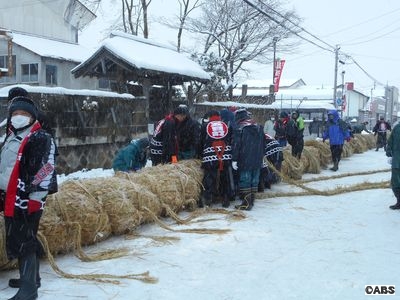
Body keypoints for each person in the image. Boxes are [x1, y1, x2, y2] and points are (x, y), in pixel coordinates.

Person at [0, 96, 57, 300]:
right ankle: (32, 279)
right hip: (11, 196)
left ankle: (29, 289)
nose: (18, 117)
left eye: (23, 114)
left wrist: (35, 197)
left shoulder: (40, 137)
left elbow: (46, 168)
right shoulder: (13, 135)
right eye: (15, 114)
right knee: (23, 237)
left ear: (32, 117)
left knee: (24, 241)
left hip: (26, 198)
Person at [199, 110, 234, 208]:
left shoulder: (205, 126)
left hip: (211, 154)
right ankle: (226, 198)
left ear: (209, 117)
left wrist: (200, 153)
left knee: (210, 177)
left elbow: (201, 141)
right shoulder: (226, 125)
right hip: (225, 153)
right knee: (225, 177)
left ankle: (208, 198)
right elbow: (230, 139)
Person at [231, 109, 265, 210]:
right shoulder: (258, 127)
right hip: (257, 158)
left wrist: (234, 159)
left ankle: (246, 203)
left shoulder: (240, 129)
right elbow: (264, 143)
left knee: (245, 180)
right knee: (254, 180)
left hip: (245, 158)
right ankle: (252, 201)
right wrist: (262, 156)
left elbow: (236, 145)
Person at [386, 121, 400, 209]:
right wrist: (389, 152)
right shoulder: (397, 128)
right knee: (395, 182)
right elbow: (390, 141)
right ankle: (399, 202)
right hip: (397, 160)